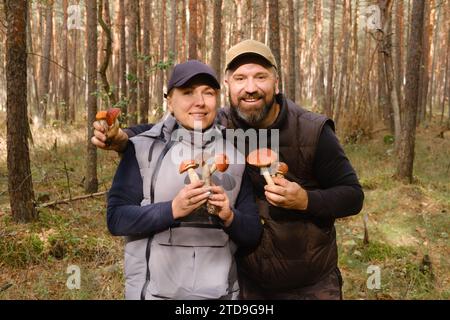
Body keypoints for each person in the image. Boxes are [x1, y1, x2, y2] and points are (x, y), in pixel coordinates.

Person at [93, 40, 364, 300]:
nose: (250, 88)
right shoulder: (222, 122)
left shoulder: (313, 130)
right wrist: (124, 139)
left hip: (309, 282)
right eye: (240, 78)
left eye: (260, 77)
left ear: (276, 82)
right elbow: (168, 128)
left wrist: (306, 200)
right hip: (247, 280)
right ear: (228, 85)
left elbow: (353, 196)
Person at [106, 60, 262, 300]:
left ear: (217, 99)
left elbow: (252, 233)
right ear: (170, 101)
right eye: (188, 92)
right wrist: (172, 210)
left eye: (208, 93)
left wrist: (229, 217)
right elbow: (116, 219)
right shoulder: (142, 148)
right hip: (152, 295)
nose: (199, 102)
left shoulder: (236, 153)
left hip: (221, 296)